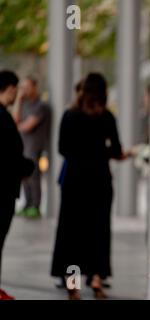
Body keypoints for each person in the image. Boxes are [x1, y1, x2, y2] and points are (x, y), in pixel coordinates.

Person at [50, 73, 130, 300]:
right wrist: (100, 152)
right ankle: (96, 281)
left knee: (72, 233)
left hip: (74, 182)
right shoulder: (107, 117)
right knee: (99, 232)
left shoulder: (70, 115)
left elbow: (62, 148)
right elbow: (116, 150)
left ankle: (73, 286)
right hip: (99, 181)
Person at [0, 70, 34, 300]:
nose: (16, 95)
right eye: (14, 90)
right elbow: (9, 155)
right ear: (8, 88)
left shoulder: (4, 115)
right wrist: (28, 167)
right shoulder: (1, 118)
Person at [12, 76, 51, 218]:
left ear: (35, 87)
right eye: (22, 88)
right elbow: (15, 120)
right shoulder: (24, 104)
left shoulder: (41, 106)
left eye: (27, 87)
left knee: (34, 176)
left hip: (35, 145)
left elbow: (26, 126)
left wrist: (16, 126)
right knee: (23, 176)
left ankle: (36, 205)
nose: (24, 91)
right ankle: (27, 203)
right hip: (23, 145)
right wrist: (19, 100)